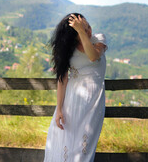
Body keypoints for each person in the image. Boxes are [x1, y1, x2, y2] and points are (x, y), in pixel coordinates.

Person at [44, 13, 108, 162]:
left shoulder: (98, 39)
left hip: (93, 100)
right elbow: (62, 80)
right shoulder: (68, 49)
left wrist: (81, 32)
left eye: (88, 27)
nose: (89, 32)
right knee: (64, 141)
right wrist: (59, 109)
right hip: (71, 100)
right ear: (73, 35)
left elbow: (93, 56)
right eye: (84, 30)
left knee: (83, 147)